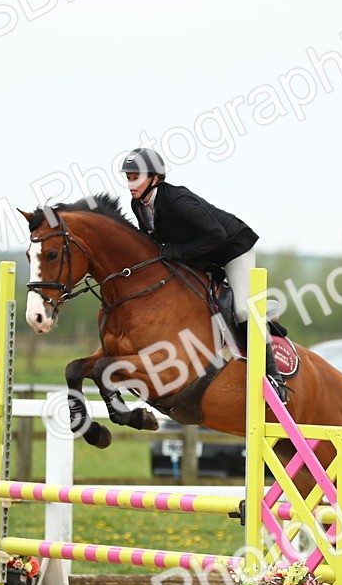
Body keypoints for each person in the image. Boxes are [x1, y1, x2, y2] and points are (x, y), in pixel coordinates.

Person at [120, 147, 287, 402]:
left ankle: (274, 376)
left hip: (232, 249)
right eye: (129, 178)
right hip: (202, 255)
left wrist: (176, 250)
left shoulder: (177, 201)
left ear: (154, 178)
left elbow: (217, 234)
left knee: (242, 310)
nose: (131, 184)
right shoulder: (138, 205)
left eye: (136, 177)